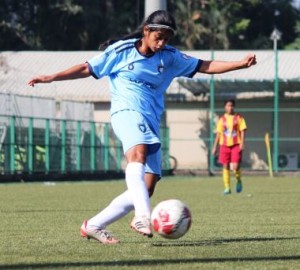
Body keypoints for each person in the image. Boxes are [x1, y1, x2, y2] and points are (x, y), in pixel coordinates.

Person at [28, 10, 256, 244]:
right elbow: (87, 68)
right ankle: (142, 216)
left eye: (167, 39)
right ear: (146, 31)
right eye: (158, 37)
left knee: (147, 187)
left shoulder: (170, 57)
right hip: (125, 112)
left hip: (150, 120)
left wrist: (240, 64)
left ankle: (94, 225)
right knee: (137, 154)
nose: (162, 43)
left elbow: (205, 65)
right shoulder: (121, 51)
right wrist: (51, 77)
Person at [212, 99, 247, 195]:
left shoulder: (239, 118)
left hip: (236, 145)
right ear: (225, 107)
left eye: (231, 105)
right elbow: (218, 134)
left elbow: (243, 130)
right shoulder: (222, 119)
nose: (230, 107)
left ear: (234, 107)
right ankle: (227, 188)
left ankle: (239, 180)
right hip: (224, 145)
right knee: (225, 165)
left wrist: (242, 143)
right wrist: (214, 147)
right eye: (228, 105)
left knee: (235, 166)